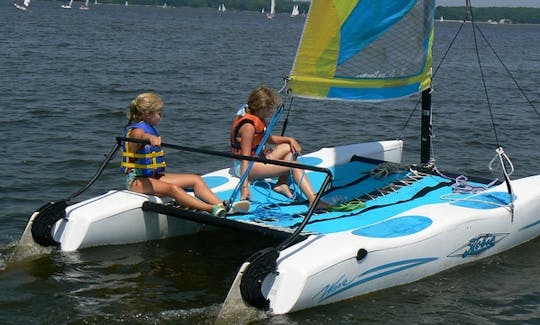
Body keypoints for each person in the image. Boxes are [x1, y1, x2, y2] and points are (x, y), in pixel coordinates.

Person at [121, 92, 249, 217]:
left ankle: (223, 205)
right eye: (159, 113)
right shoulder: (136, 131)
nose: (162, 116)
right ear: (148, 114)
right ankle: (211, 209)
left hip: (153, 176)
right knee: (173, 189)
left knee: (195, 179)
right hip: (136, 181)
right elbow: (138, 136)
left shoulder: (146, 126)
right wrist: (149, 137)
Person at [230, 86, 327, 208]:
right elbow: (245, 159)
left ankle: (281, 184)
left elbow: (269, 139)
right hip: (246, 168)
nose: (271, 112)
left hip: (257, 158)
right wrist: (244, 188)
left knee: (288, 148)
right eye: (270, 109)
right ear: (262, 108)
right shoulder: (248, 127)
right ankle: (313, 200)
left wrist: (290, 139)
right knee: (294, 165)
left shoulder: (256, 117)